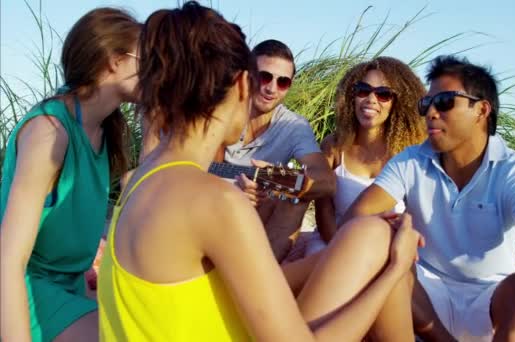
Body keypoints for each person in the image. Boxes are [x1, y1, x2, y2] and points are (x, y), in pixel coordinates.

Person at [97, 2, 423, 341]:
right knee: (384, 253)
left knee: (370, 236)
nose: (267, 89)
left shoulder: (142, 182)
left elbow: (208, 289)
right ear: (242, 85)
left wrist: (356, 248)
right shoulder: (217, 202)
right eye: (260, 79)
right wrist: (393, 271)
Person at [343, 55, 515, 341]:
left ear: (482, 110)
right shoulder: (411, 161)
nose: (431, 113)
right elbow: (356, 217)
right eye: (426, 104)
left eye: (446, 101)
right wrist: (391, 230)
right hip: (424, 293)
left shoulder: (514, 170)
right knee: (379, 261)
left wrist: (510, 337)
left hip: (491, 296)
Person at [0, 8, 140, 342]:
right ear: (113, 60)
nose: (161, 71)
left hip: (72, 283)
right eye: (150, 59)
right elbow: (8, 258)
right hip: (28, 288)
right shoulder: (50, 132)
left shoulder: (106, 129)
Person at [224, 39, 336, 261]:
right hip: (209, 202)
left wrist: (272, 178)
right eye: (264, 76)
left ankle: (260, 279)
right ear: (247, 74)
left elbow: (326, 181)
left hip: (256, 213)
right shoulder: (219, 108)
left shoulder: (293, 125)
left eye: (282, 82)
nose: (271, 88)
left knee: (296, 197)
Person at [310, 56, 427, 254]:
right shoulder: (334, 145)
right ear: (351, 96)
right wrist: (338, 249)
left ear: (399, 103)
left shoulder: (412, 155)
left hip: (384, 247)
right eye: (363, 90)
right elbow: (324, 211)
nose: (371, 100)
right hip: (332, 241)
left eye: (383, 94)